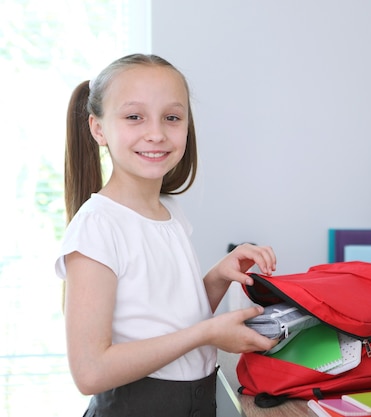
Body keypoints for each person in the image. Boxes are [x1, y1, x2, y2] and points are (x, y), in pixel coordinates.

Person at [55, 53, 277, 417]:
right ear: (98, 128)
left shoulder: (170, 212)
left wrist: (217, 276)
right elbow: (90, 372)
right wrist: (207, 334)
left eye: (172, 118)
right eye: (133, 117)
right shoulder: (98, 226)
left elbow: (171, 320)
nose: (156, 133)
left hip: (196, 402)